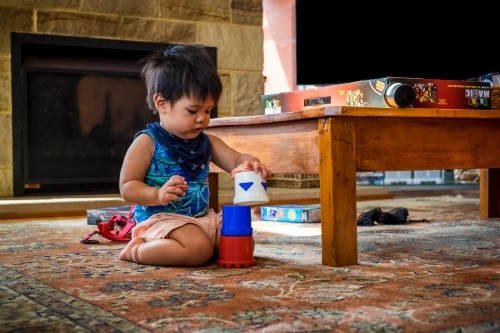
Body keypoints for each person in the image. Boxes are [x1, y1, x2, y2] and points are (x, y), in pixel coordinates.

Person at [118, 44, 272, 267]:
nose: (202, 119)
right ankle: (137, 250)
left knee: (239, 241)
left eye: (208, 110)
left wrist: (251, 164)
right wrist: (158, 194)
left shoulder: (207, 142)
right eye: (193, 111)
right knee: (198, 250)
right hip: (162, 220)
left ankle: (196, 246)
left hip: (202, 218)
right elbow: (127, 186)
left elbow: (236, 160)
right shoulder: (148, 141)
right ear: (161, 103)